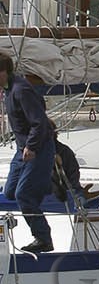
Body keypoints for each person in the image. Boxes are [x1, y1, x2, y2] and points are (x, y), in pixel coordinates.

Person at [0, 52, 57, 252]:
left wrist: (31, 147)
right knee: (9, 192)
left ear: (3, 72)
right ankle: (45, 183)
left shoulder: (20, 90)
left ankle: (43, 239)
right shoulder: (7, 90)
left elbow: (39, 122)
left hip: (37, 147)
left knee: (23, 194)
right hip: (22, 148)